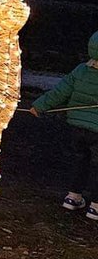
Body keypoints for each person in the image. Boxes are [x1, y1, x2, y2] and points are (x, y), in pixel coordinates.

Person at [30, 31, 98, 220]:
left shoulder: (80, 70)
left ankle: (73, 197)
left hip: (77, 127)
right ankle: (96, 207)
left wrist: (39, 106)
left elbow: (59, 92)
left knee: (81, 161)